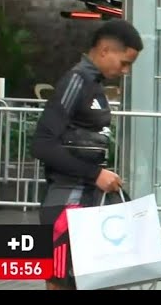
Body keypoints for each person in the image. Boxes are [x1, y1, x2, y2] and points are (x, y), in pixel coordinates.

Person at [31, 20, 143, 290]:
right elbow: (42, 144)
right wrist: (95, 174)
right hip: (65, 205)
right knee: (61, 281)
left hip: (87, 204)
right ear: (104, 50)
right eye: (124, 63)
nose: (125, 71)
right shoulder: (76, 81)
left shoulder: (93, 85)